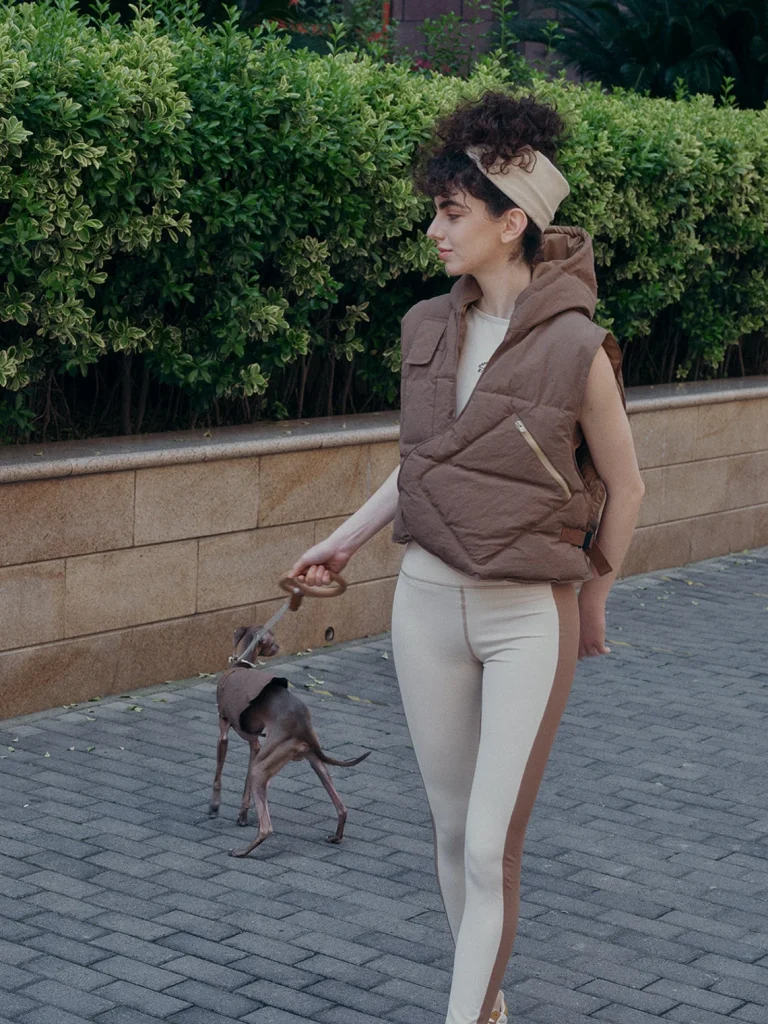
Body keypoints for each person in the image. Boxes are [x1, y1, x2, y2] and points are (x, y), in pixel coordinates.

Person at [288, 91, 645, 1024]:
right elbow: (426, 464)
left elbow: (629, 487)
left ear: (511, 220)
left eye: (452, 211)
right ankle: (486, 1006)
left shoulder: (578, 349)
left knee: (492, 846)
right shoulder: (425, 328)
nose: (435, 229)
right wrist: (344, 539)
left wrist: (595, 603)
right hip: (424, 605)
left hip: (529, 615)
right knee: (451, 832)